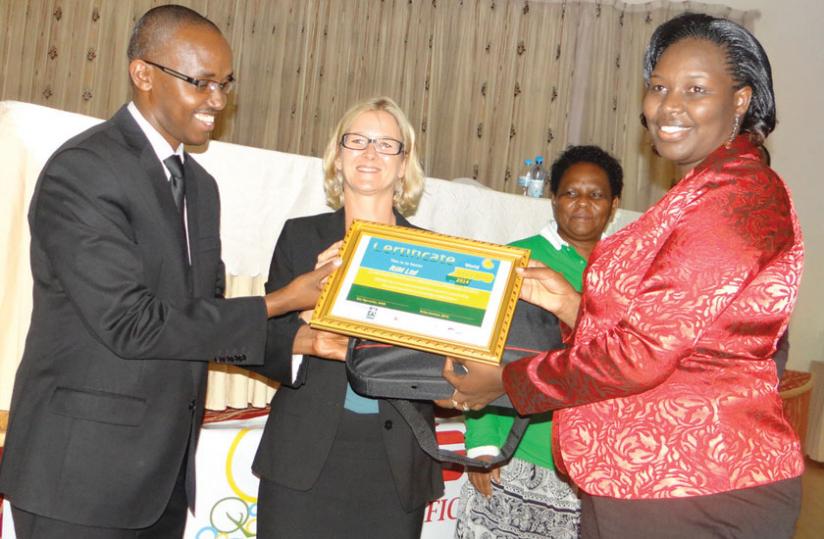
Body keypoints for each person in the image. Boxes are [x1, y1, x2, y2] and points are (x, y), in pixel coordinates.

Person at [443, 13, 803, 539]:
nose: (668, 105)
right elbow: (680, 333)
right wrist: (574, 306)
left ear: (742, 100)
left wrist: (505, 382)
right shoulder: (697, 192)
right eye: (658, 87)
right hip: (641, 480)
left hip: (695, 480)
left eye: (694, 89)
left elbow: (643, 353)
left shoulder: (737, 194)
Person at [0, 5, 335, 538]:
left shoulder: (199, 187)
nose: (218, 101)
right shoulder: (84, 170)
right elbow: (132, 324)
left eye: (226, 84)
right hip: (80, 478)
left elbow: (203, 315)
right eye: (201, 83)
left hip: (161, 479)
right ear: (144, 74)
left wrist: (302, 343)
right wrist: (281, 300)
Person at [249, 96, 443, 538]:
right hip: (303, 455)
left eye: (385, 144)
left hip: (395, 461)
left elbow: (444, 363)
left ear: (404, 163)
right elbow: (261, 341)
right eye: (356, 141)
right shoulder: (301, 236)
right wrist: (309, 312)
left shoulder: (434, 253)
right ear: (338, 157)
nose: (370, 153)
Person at [456, 145, 623, 539]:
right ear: (553, 199)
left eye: (596, 194)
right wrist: (481, 445)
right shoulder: (519, 259)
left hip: (595, 466)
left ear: (614, 204)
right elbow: (477, 353)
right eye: (570, 192)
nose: (582, 203)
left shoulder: (627, 268)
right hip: (516, 455)